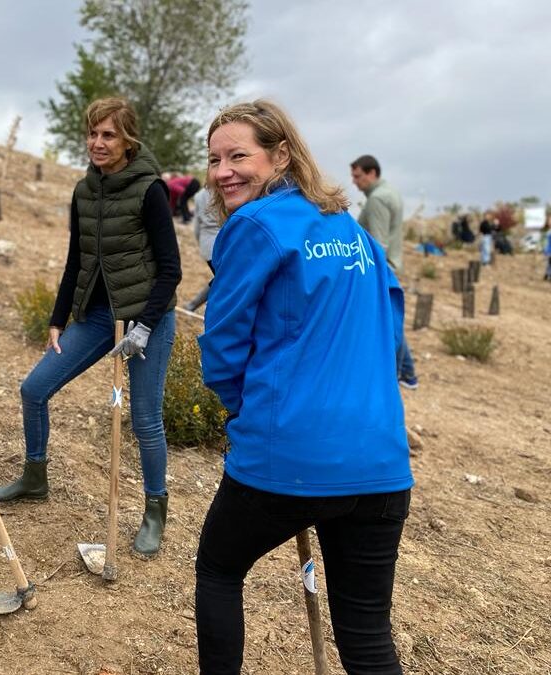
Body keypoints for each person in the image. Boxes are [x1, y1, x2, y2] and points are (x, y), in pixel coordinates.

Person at [196, 100, 413, 675]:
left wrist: (251, 413)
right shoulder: (352, 231)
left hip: (290, 454)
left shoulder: (253, 226)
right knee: (367, 635)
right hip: (380, 461)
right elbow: (392, 319)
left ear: (281, 155)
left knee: (218, 568)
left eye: (239, 155)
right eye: (214, 158)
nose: (222, 171)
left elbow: (221, 348)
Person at [0, 97, 181, 559]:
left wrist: (145, 326)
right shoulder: (84, 189)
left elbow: (172, 269)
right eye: (93, 133)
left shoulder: (150, 190)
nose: (98, 142)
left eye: (108, 134)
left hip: (145, 318)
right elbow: (77, 259)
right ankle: (35, 477)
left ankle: (155, 510)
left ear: (128, 139)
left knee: (145, 420)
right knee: (33, 389)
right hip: (97, 317)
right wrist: (58, 318)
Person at [351, 154, 418, 389]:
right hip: (390, 265)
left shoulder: (377, 199)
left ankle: (396, 374)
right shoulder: (390, 192)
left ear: (371, 173)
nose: (354, 182)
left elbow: (378, 243)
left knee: (388, 323)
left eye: (358, 176)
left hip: (381, 268)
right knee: (391, 320)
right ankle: (407, 374)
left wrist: (371, 275)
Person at [183, 186, 220, 311]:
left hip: (206, 242)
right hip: (221, 241)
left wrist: (200, 243)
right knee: (224, 280)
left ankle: (193, 305)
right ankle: (193, 305)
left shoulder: (199, 195)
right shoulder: (224, 192)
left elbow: (197, 225)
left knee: (222, 279)